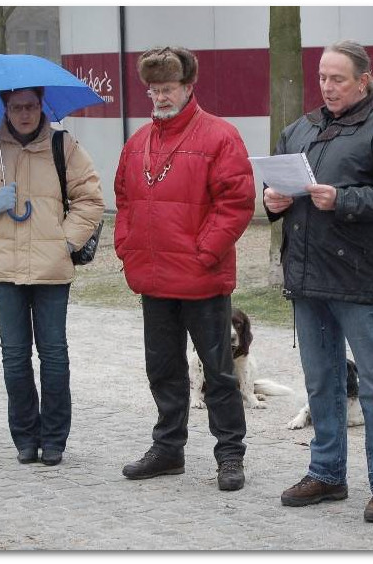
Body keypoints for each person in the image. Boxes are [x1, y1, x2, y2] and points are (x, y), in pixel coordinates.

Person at [264, 40, 373, 523]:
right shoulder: (299, 129)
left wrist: (346, 200)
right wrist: (271, 201)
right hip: (308, 279)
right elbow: (272, 183)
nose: (328, 87)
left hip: (360, 279)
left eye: (338, 79)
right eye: (323, 78)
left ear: (363, 80)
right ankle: (327, 472)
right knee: (321, 382)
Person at [114, 46, 256, 491]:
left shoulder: (220, 136)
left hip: (202, 279)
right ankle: (168, 448)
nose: (159, 97)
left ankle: (230, 454)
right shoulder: (137, 143)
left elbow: (236, 203)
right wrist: (127, 247)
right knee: (163, 369)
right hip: (154, 278)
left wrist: (204, 253)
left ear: (188, 87)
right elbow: (123, 201)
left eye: (168, 88)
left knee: (218, 372)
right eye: (153, 89)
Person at [0, 86, 105, 467]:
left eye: (32, 106)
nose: (25, 113)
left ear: (42, 106)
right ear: (5, 107)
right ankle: (25, 437)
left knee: (54, 354)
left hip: (51, 267)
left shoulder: (63, 146)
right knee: (15, 355)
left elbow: (90, 200)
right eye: (18, 106)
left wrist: (64, 242)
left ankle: (54, 439)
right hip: (3, 268)